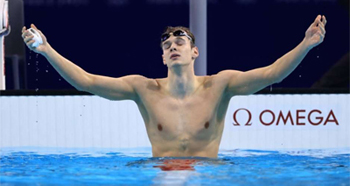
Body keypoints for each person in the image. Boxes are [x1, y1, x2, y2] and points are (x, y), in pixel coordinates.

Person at [21, 15, 327, 158]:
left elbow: (272, 73)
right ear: (163, 57)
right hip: (160, 173)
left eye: (180, 42)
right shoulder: (143, 88)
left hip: (210, 175)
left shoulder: (220, 85)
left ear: (195, 52)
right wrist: (47, 49)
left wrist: (306, 44)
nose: (173, 46)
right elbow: (86, 82)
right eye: (167, 44)